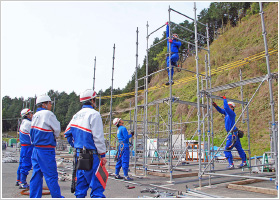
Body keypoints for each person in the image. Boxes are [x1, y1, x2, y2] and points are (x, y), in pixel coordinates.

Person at [64, 89, 107, 198]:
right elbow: (98, 137)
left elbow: (67, 133)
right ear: (92, 100)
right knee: (97, 185)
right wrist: (102, 154)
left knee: (81, 187)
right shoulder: (94, 114)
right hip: (92, 156)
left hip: (79, 156)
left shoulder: (76, 115)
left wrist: (76, 145)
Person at [29, 94, 64, 198]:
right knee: (51, 175)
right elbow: (57, 129)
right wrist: (55, 136)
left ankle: (34, 196)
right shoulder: (48, 114)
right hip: (46, 149)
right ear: (44, 104)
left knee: (36, 175)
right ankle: (57, 197)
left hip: (36, 149)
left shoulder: (35, 115)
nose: (50, 105)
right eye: (49, 103)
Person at [212, 96, 247, 169]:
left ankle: (231, 164)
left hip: (232, 135)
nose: (227, 107)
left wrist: (225, 99)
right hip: (234, 134)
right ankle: (244, 162)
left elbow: (226, 108)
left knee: (227, 149)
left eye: (229, 106)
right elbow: (221, 110)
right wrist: (216, 106)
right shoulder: (227, 113)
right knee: (239, 148)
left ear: (232, 108)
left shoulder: (231, 114)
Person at [16, 108, 34, 189]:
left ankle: (18, 180)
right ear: (26, 115)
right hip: (28, 147)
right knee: (26, 164)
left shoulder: (23, 123)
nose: (32, 115)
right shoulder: (28, 123)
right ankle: (23, 182)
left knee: (21, 163)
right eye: (30, 114)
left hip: (24, 147)